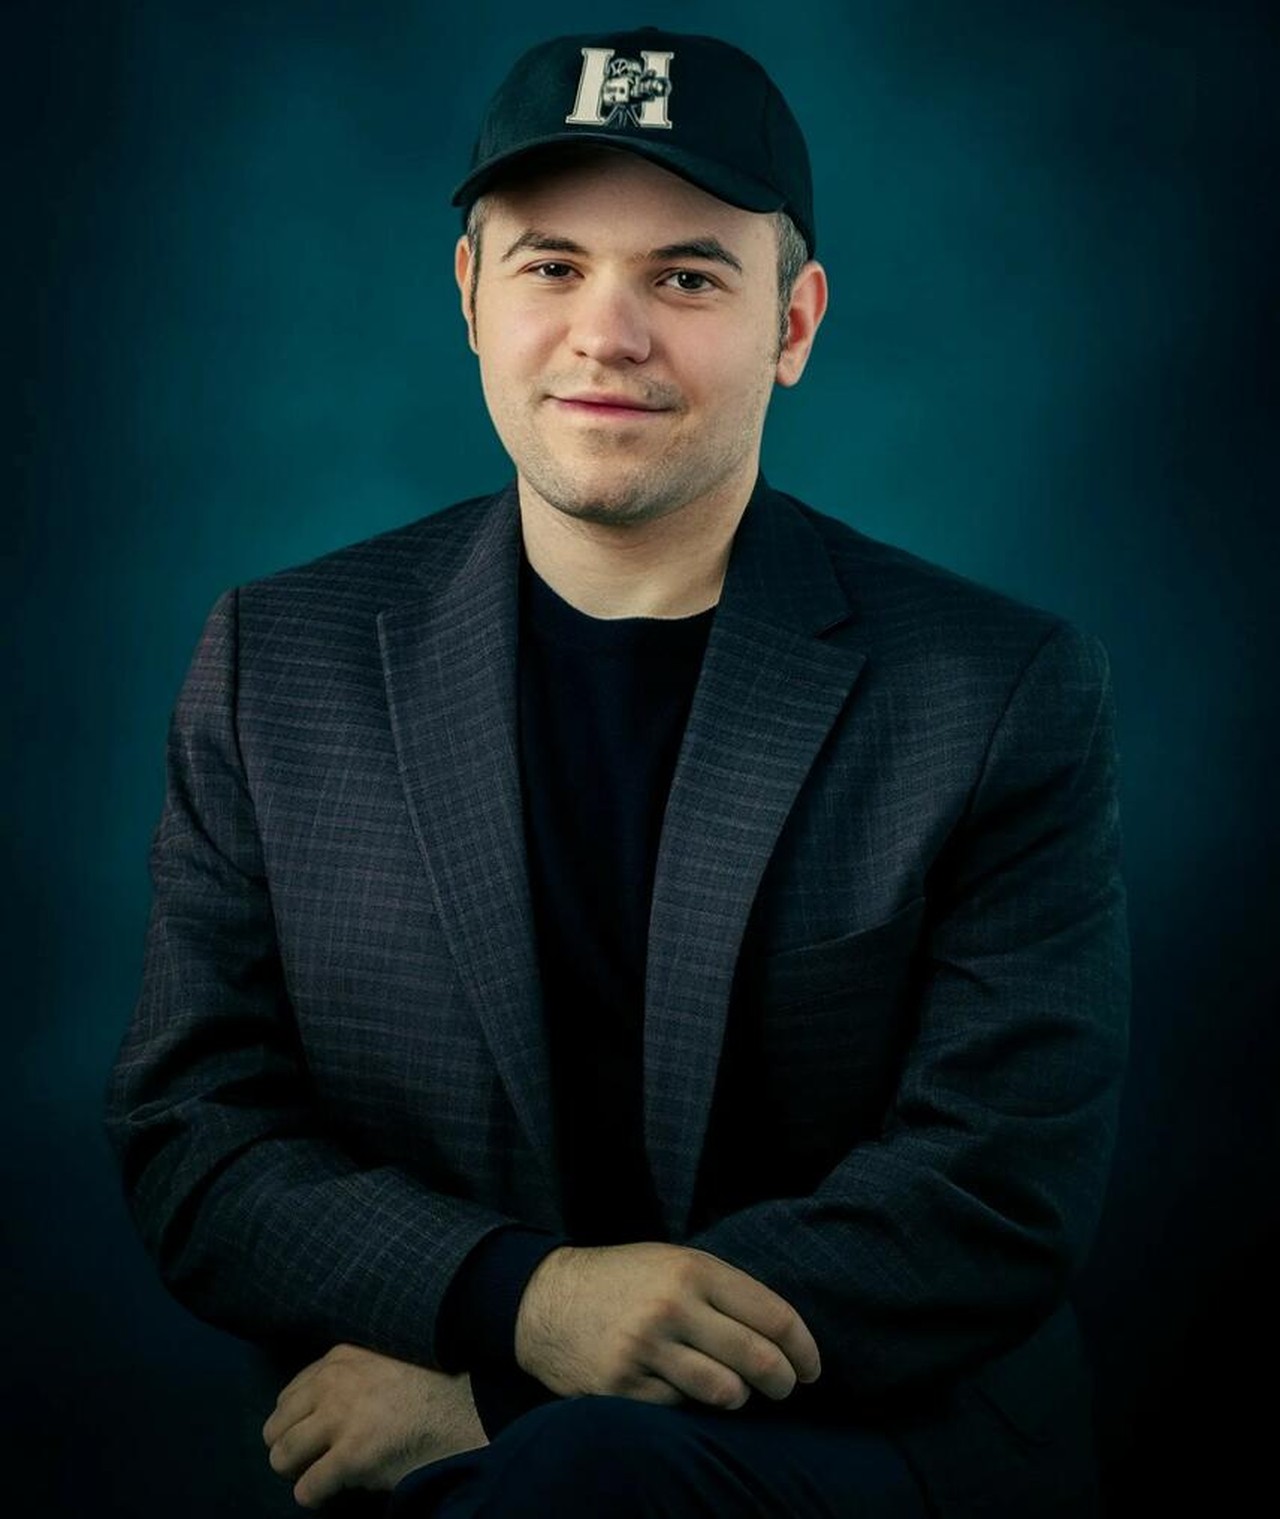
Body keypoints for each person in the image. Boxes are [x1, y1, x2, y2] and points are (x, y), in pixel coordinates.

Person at [105, 25, 1129, 1519]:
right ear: (471, 295)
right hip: (412, 1452)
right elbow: (195, 1138)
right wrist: (521, 1303)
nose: (609, 332)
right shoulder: (281, 662)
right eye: (553, 266)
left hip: (860, 1445)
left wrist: (510, 1394)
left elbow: (992, 1192)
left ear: (793, 323)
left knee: (591, 1472)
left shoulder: (993, 691)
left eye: (688, 277)